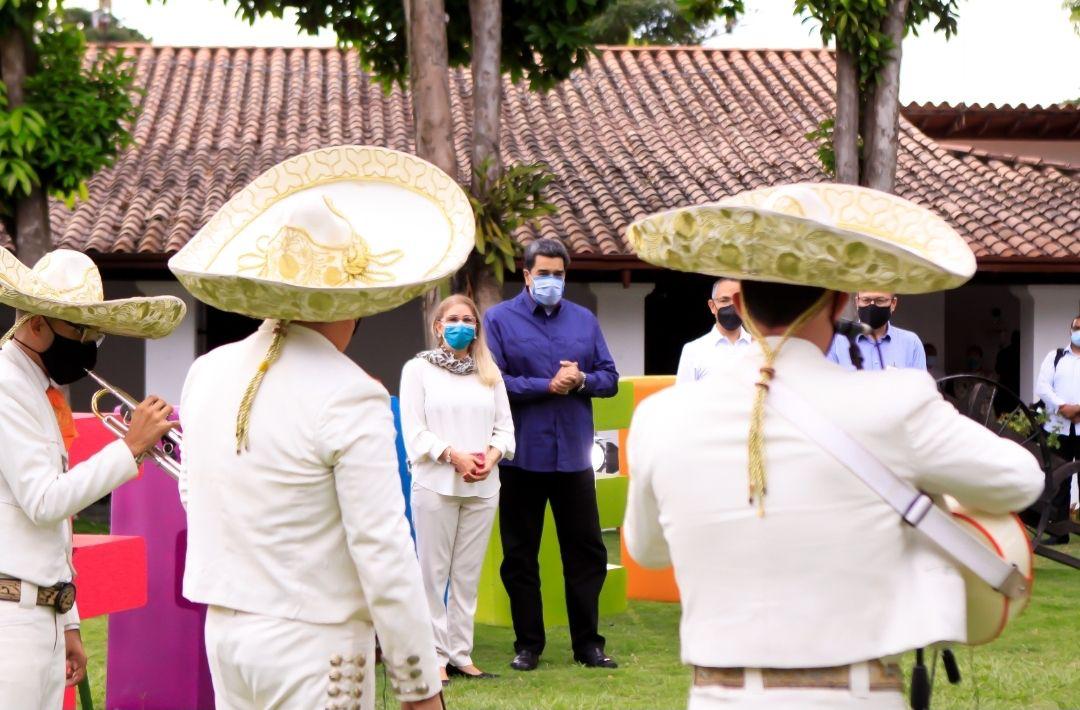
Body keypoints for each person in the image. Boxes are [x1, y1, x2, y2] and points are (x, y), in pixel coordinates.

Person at [624, 182, 1044, 709]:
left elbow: (647, 550)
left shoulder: (660, 416)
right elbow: (1020, 480)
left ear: (742, 305)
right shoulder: (895, 401)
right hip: (856, 695)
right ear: (840, 301)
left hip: (718, 696)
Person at [171, 146, 474, 710]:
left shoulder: (205, 371)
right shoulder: (350, 391)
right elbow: (382, 548)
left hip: (226, 632)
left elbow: (195, 492)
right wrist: (418, 687)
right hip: (316, 643)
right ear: (353, 303)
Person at [0, 247, 185, 708]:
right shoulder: (6, 384)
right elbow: (45, 501)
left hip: (39, 614)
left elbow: (52, 533)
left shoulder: (38, 387)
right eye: (79, 331)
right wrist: (130, 446)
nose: (88, 346)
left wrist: (67, 620)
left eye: (95, 336)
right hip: (10, 622)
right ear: (36, 324)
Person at [483, 238, 620, 672]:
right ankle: (528, 645)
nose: (551, 281)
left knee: (587, 553)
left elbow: (610, 377)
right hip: (521, 456)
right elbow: (494, 381)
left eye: (558, 274)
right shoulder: (498, 319)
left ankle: (588, 645)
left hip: (574, 458)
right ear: (526, 275)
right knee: (520, 556)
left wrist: (581, 380)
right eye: (543, 273)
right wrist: (547, 385)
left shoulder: (584, 320)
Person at [400, 294, 515, 684]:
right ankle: (434, 656)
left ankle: (461, 654)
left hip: (483, 487)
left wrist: (490, 457)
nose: (461, 325)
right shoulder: (418, 370)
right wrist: (454, 456)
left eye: (468, 320)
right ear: (438, 326)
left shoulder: (489, 372)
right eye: (453, 319)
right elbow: (414, 430)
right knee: (433, 575)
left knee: (467, 575)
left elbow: (505, 429)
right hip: (436, 484)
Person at [1034, 315, 1080, 545]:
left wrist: (1077, 409)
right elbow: (1042, 387)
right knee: (1059, 481)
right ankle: (1060, 532)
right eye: (1077, 327)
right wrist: (1062, 406)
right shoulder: (1055, 356)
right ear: (1070, 329)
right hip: (1058, 428)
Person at [676, 278, 752, 385]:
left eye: (738, 300)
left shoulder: (760, 348)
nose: (732, 306)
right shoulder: (693, 351)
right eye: (724, 300)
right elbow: (684, 393)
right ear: (712, 306)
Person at [826, 292, 926, 370]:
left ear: (893, 303)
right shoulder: (836, 342)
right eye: (866, 300)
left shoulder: (911, 343)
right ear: (857, 302)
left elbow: (920, 387)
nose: (872, 306)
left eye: (880, 300)